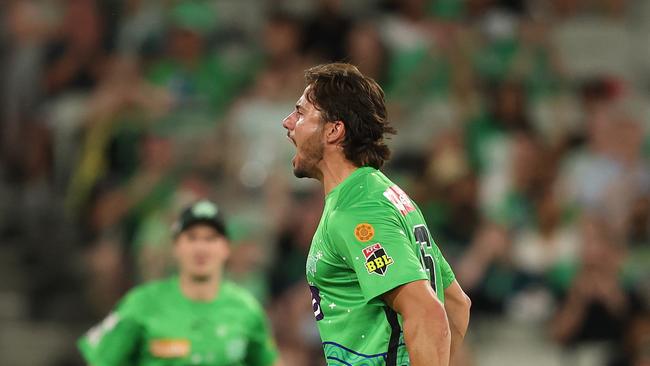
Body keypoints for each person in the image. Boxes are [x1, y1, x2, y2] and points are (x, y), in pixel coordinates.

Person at [282, 63, 471, 366]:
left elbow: (429, 312)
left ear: (334, 130)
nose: (288, 122)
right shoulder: (386, 195)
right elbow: (456, 303)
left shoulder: (359, 210)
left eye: (301, 113)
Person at [77, 200, 280, 366]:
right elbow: (97, 359)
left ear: (226, 248)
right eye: (192, 238)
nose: (201, 248)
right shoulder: (141, 303)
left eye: (210, 239)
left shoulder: (246, 309)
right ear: (176, 247)